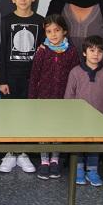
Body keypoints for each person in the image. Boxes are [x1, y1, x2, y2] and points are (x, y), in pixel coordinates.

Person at [0, 0, 44, 174]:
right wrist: (2, 80)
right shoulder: (6, 21)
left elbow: (44, 54)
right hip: (11, 78)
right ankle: (10, 152)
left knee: (27, 117)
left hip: (32, 78)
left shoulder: (41, 21)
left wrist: (40, 79)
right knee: (10, 116)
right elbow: (1, 51)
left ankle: (23, 153)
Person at [29, 14, 80, 180]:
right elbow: (34, 76)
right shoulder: (42, 51)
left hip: (63, 99)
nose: (53, 34)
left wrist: (74, 100)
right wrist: (32, 100)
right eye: (49, 31)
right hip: (43, 98)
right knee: (44, 129)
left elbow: (76, 77)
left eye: (57, 30)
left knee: (58, 129)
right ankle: (44, 161)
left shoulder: (72, 52)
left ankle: (55, 159)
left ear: (64, 31)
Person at [64, 35, 103, 187]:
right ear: (85, 53)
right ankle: (78, 169)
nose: (96, 54)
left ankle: (92, 170)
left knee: (95, 144)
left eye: (99, 51)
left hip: (100, 117)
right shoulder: (75, 72)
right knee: (79, 144)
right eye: (92, 50)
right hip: (78, 117)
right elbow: (69, 93)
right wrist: (68, 114)